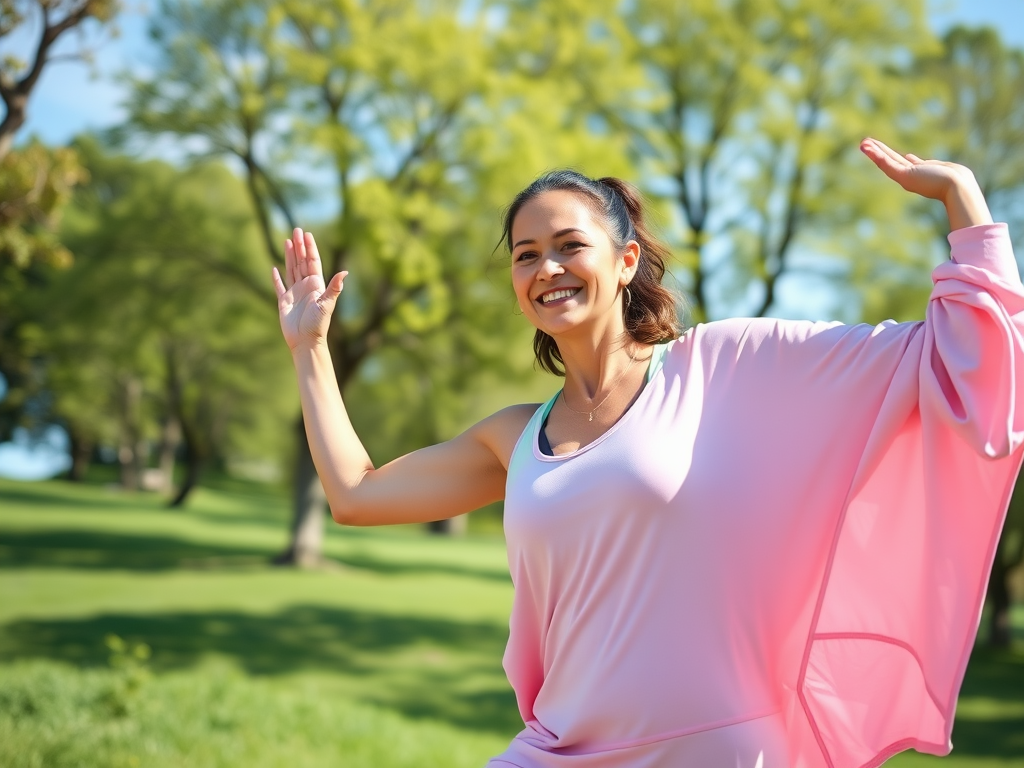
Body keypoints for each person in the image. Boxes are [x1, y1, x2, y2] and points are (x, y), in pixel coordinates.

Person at [271, 138, 1024, 768]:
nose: (546, 269)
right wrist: (309, 348)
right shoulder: (513, 437)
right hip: (559, 747)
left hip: (711, 749)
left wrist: (964, 204)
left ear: (627, 260)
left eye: (571, 246)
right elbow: (357, 493)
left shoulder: (726, 366)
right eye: (526, 255)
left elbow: (954, 360)